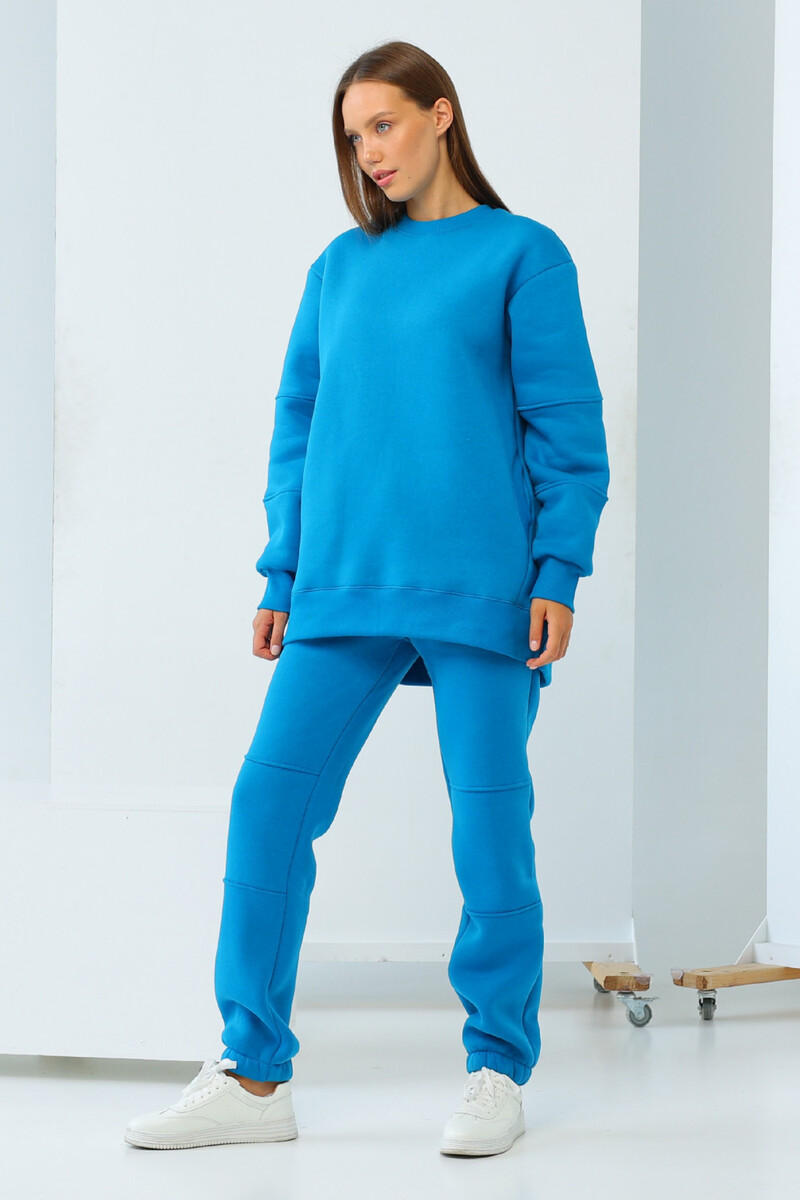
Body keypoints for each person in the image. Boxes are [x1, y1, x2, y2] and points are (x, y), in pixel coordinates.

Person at [125, 38, 610, 1158]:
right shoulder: (337, 268)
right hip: (341, 582)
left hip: (484, 587)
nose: (369, 153)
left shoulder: (522, 253)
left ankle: (496, 1067)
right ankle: (252, 1075)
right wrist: (281, 570)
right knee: (267, 808)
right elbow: (297, 428)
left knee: (489, 829)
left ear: (442, 115)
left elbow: (566, 427)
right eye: (353, 137)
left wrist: (557, 571)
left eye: (383, 124)